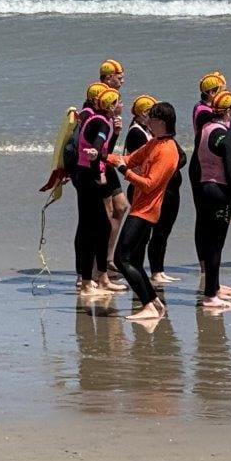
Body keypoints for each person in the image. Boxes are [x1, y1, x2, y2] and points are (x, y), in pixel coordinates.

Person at [107, 101, 180, 322]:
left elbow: (149, 184)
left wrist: (124, 172)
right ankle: (153, 301)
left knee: (121, 258)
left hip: (147, 211)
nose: (148, 122)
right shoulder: (155, 143)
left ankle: (148, 304)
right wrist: (102, 156)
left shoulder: (168, 149)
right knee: (133, 261)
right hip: (139, 208)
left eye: (152, 119)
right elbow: (129, 159)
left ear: (162, 122)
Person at [123, 95, 185, 285]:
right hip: (146, 191)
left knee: (162, 232)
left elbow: (182, 156)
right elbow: (140, 163)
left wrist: (167, 167)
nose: (151, 119)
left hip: (165, 189)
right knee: (144, 237)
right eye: (150, 114)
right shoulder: (137, 134)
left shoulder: (161, 139)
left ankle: (157, 270)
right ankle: (142, 271)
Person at [190, 89, 231, 309]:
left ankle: (215, 286)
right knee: (216, 245)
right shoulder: (226, 136)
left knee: (209, 239)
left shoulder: (204, 128)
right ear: (228, 111)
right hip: (220, 191)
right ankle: (211, 295)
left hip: (203, 188)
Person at [72, 86, 126, 295]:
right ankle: (88, 282)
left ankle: (101, 278)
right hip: (88, 177)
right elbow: (96, 148)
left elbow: (104, 150)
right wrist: (98, 174)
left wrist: (115, 135)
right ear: (111, 105)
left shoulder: (98, 119)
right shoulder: (101, 122)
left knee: (101, 227)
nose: (120, 105)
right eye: (118, 102)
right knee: (92, 228)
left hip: (85, 174)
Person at [98, 59, 130, 275]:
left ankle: (108, 258)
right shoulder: (100, 100)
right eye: (119, 75)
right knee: (106, 212)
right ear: (108, 77)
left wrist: (117, 132)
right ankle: (96, 266)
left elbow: (107, 143)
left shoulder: (114, 101)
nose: (122, 79)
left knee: (121, 206)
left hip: (107, 160)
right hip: (98, 165)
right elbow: (96, 144)